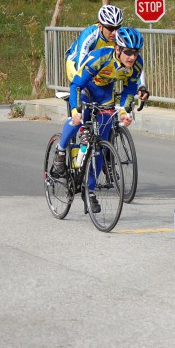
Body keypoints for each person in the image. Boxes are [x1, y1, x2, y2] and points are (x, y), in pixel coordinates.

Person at [51, 27, 145, 213]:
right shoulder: (100, 57)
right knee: (77, 119)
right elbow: (77, 84)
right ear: (117, 49)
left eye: (135, 53)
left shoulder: (136, 65)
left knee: (100, 146)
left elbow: (128, 90)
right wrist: (76, 109)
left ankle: (90, 190)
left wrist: (126, 111)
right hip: (86, 88)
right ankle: (61, 151)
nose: (132, 57)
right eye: (127, 52)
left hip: (104, 94)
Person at [64, 5, 149, 102]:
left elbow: (134, 60)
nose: (114, 32)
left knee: (105, 99)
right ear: (100, 26)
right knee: (83, 94)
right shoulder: (90, 34)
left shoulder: (119, 36)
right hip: (75, 62)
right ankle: (75, 112)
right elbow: (81, 61)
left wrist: (141, 86)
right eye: (110, 28)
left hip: (99, 65)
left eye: (117, 27)